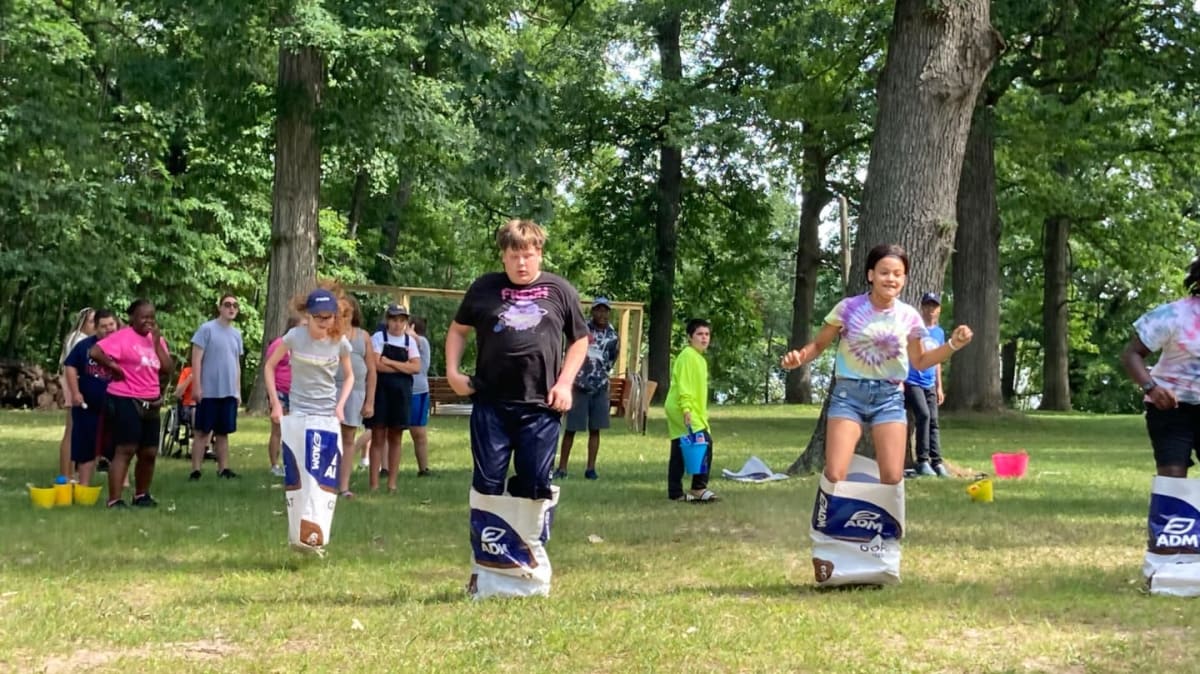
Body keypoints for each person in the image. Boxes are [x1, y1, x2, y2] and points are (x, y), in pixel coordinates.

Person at [447, 219, 589, 596]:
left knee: (534, 485)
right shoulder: (484, 288)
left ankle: (527, 567)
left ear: (539, 253)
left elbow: (580, 340)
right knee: (487, 485)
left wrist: (565, 383)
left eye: (528, 255)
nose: (521, 263)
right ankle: (483, 572)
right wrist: (452, 371)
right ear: (503, 256)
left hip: (541, 407)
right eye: (514, 256)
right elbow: (458, 330)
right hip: (491, 403)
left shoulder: (560, 290)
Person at [780, 243, 974, 485]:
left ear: (904, 279)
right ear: (871, 275)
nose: (891, 279)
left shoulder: (910, 316)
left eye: (897, 274)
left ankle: (883, 512)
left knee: (892, 477)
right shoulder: (848, 308)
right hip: (848, 395)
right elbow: (818, 345)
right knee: (835, 474)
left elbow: (920, 361)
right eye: (884, 272)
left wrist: (953, 344)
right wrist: (799, 357)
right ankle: (831, 510)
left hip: (889, 398)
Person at [263, 288, 354, 553]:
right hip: (299, 412)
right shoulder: (295, 337)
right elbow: (269, 366)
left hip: (326, 415)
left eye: (329, 317)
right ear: (308, 316)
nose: (324, 323)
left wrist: (340, 406)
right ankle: (298, 534)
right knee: (300, 473)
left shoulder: (340, 342)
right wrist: (276, 403)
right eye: (318, 318)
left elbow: (349, 376)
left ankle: (316, 535)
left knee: (320, 474)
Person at [1121, 255, 1200, 478]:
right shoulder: (1174, 314)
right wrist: (1152, 389)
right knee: (1172, 482)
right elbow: (1132, 354)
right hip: (1170, 407)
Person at [90, 299, 174, 508]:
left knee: (149, 452)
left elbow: (168, 368)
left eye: (152, 317)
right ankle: (115, 499)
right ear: (132, 318)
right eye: (144, 317)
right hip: (125, 397)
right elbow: (95, 352)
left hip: (151, 400)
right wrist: (113, 367)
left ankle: (141, 495)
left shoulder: (156, 339)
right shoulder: (122, 337)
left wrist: (156, 343)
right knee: (126, 449)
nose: (149, 321)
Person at [556, 297, 620, 481]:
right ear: (592, 312)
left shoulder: (613, 336)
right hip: (579, 385)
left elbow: (611, 359)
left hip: (599, 387)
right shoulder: (582, 330)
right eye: (598, 310)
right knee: (571, 428)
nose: (602, 314)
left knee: (595, 429)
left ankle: (591, 469)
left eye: (605, 310)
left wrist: (601, 375)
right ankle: (562, 467)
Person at [188, 294, 244, 481]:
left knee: (223, 432)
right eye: (227, 304)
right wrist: (197, 386)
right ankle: (196, 470)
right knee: (202, 432)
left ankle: (223, 468)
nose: (231, 308)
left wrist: (237, 391)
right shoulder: (206, 329)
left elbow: (236, 364)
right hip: (209, 391)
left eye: (235, 305)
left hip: (228, 391)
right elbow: (196, 359)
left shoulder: (237, 334)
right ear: (220, 307)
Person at [365, 304, 421, 492]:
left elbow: (416, 367)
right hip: (380, 392)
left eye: (401, 320)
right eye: (394, 320)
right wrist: (403, 367)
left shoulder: (409, 342)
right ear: (387, 320)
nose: (397, 324)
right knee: (378, 436)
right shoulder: (378, 338)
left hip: (401, 395)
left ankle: (392, 483)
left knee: (396, 437)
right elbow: (376, 365)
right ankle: (374, 484)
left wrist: (389, 362)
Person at [63, 309, 118, 487]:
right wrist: (75, 392)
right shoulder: (84, 346)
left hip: (116, 405)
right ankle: (84, 485)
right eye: (103, 326)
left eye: (111, 324)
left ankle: (120, 485)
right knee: (86, 447)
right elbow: (70, 366)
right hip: (87, 406)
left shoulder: (123, 345)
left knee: (118, 448)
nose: (108, 329)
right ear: (95, 328)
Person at [665, 318, 717, 502]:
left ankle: (675, 492)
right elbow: (684, 385)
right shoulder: (688, 356)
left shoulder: (699, 358)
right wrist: (686, 409)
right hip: (681, 407)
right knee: (705, 442)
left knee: (680, 448)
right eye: (699, 334)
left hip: (688, 408)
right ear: (690, 337)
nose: (704, 338)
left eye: (707, 334)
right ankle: (698, 488)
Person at [336, 296, 377, 498]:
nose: (344, 316)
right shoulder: (330, 333)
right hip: (331, 389)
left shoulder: (363, 336)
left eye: (348, 312)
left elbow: (372, 371)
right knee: (329, 436)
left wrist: (370, 401)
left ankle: (343, 486)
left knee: (349, 437)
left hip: (356, 391)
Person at [905, 292, 949, 477]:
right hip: (912, 380)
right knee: (923, 415)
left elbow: (937, 360)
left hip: (929, 383)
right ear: (922, 308)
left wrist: (939, 386)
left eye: (934, 306)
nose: (931, 310)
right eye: (927, 306)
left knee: (934, 421)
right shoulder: (915, 330)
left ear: (939, 310)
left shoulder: (939, 333)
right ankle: (922, 460)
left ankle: (936, 461)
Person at [58, 307, 95, 478]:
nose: (94, 325)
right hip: (76, 385)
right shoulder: (79, 340)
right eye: (91, 322)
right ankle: (66, 474)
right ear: (83, 323)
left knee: (75, 431)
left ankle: (71, 472)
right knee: (72, 431)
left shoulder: (77, 338)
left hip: (77, 384)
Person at [265, 316, 301, 476]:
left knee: (293, 430)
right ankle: (274, 465)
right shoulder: (279, 344)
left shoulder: (301, 346)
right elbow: (269, 367)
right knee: (278, 429)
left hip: (295, 392)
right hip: (280, 390)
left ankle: (292, 465)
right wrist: (272, 397)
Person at [405, 316, 433, 476]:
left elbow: (413, 338)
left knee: (418, 432)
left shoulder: (420, 341)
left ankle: (423, 469)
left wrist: (410, 332)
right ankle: (385, 469)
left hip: (418, 391)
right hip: (406, 390)